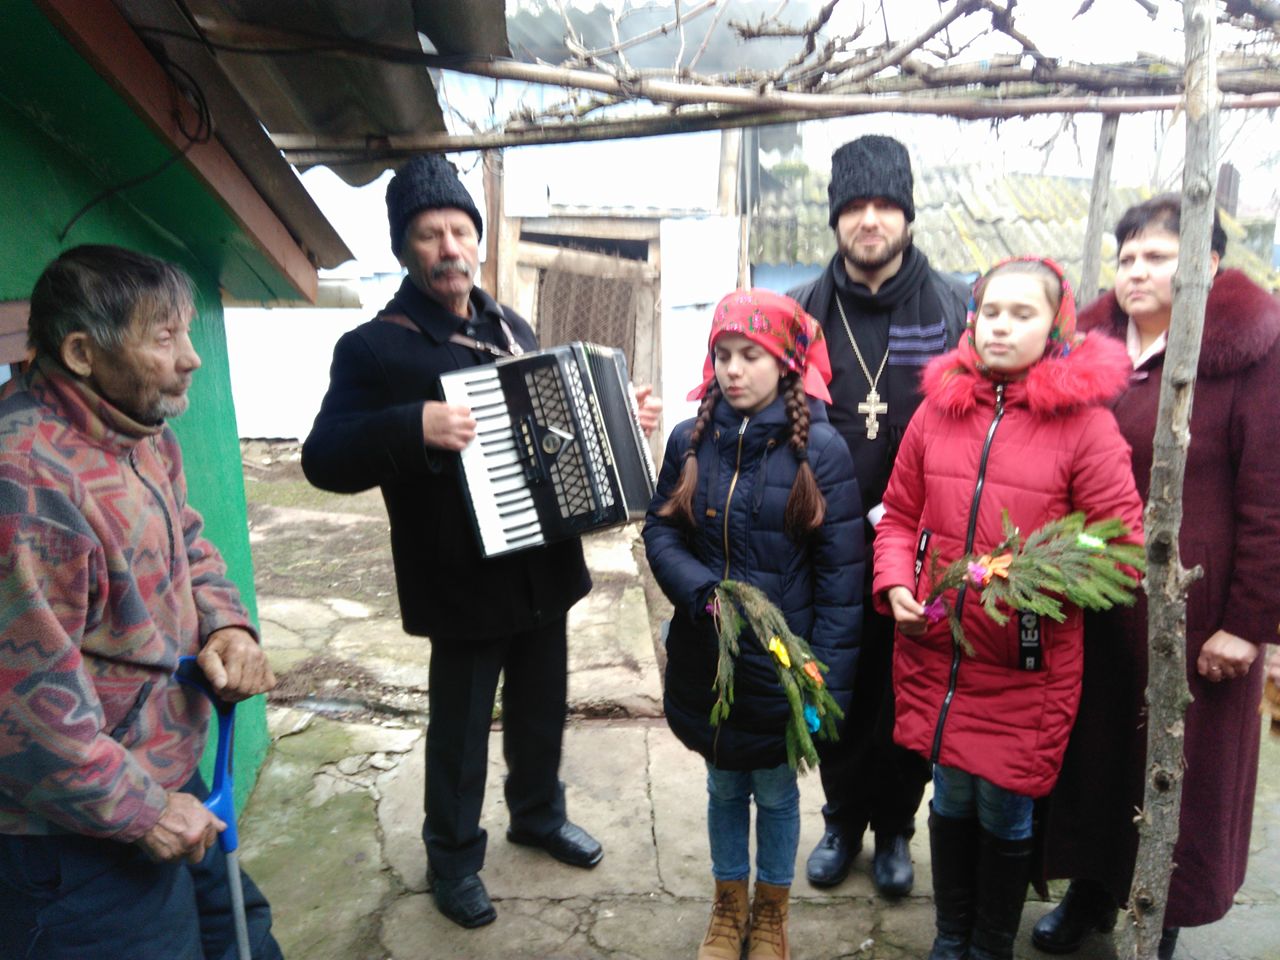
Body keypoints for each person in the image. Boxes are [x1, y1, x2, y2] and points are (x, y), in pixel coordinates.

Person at [301, 154, 660, 930]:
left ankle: (538, 815)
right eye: (430, 235)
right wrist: (413, 426)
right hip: (459, 579)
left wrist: (619, 418)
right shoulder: (373, 349)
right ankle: (454, 858)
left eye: (461, 231)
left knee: (541, 710)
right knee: (461, 732)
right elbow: (321, 458)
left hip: (541, 565)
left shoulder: (509, 326)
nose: (449, 248)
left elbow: (552, 429)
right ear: (404, 248)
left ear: (478, 239)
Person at [0, 245, 282, 959]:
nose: (191, 358)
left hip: (161, 768)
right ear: (81, 353)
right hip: (69, 834)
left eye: (186, 332)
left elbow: (188, 543)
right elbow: (24, 711)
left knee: (242, 934)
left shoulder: (139, 431)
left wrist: (227, 626)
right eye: (164, 338)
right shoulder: (24, 486)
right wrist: (144, 812)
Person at [874, 257, 1145, 960]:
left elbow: (1119, 547)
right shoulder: (938, 412)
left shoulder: (1085, 428)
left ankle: (991, 943)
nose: (1001, 326)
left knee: (1003, 805)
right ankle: (950, 935)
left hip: (1025, 667)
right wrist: (897, 582)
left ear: (1056, 327)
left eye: (1022, 314)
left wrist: (1034, 576)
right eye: (990, 312)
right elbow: (898, 514)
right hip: (937, 655)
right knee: (950, 798)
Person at [1037, 194, 1280, 960]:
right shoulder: (1089, 349)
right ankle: (1089, 892)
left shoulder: (1250, 355)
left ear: (1207, 264)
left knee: (1176, 767)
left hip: (1197, 611)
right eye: (1128, 257)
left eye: (1158, 257)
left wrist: (1247, 623)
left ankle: (1160, 912)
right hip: (1096, 600)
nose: (1136, 271)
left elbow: (1271, 497)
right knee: (1095, 755)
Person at [643, 288, 862, 960]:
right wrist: (701, 593)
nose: (733, 370)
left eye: (751, 355)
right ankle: (727, 905)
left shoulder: (819, 451)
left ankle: (771, 913)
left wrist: (824, 685)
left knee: (774, 792)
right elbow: (661, 530)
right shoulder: (691, 439)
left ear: (787, 363)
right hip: (708, 661)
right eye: (723, 355)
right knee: (721, 785)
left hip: (780, 671)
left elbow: (841, 582)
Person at [788, 133, 966, 896]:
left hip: (926, 542)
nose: (869, 220)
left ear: (907, 214)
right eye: (853, 206)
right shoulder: (802, 311)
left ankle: (895, 828)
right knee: (839, 687)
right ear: (834, 218)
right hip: (827, 541)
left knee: (909, 692)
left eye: (884, 205)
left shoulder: (955, 306)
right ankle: (841, 820)